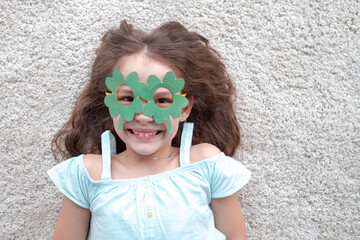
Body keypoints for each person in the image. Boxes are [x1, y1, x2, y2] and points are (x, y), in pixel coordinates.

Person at [48, 20, 251, 240]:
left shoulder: (206, 165)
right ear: (110, 102)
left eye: (162, 100)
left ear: (184, 108)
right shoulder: (88, 175)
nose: (144, 116)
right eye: (127, 98)